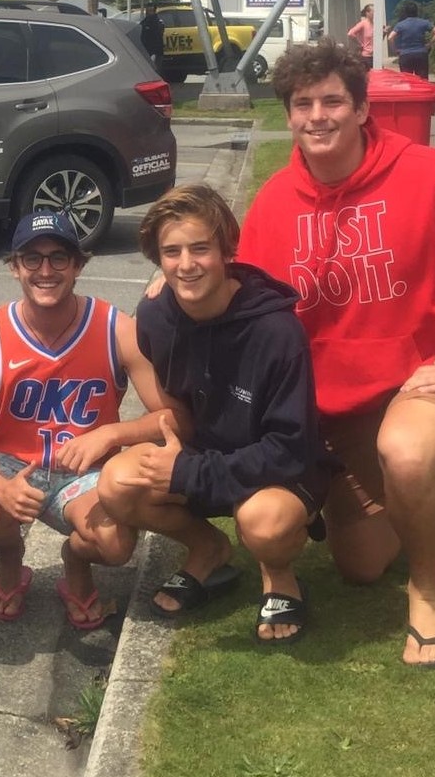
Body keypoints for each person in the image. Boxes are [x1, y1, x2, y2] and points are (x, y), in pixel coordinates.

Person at [238, 39, 435, 668]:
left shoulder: (429, 175)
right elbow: (245, 305)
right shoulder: (274, 205)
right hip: (334, 415)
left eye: (333, 101)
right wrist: (179, 286)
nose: (318, 115)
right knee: (363, 567)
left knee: (409, 451)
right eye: (302, 103)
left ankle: (427, 596)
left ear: (363, 108)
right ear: (287, 114)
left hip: (422, 386)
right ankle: (382, 497)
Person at [97, 185, 330, 642]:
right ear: (157, 259)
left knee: (264, 524)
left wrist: (189, 473)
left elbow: (291, 448)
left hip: (277, 471)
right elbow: (176, 404)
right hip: (203, 457)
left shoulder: (278, 331)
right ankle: (208, 550)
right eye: (172, 251)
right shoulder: (154, 317)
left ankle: (279, 574)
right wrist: (172, 459)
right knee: (117, 484)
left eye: (201, 248)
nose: (186, 265)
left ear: (227, 249)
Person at [0, 212, 173, 629]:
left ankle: (74, 562)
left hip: (84, 473)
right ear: (15, 266)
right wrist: (1, 488)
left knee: (114, 545)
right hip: (12, 462)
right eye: (32, 259)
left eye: (59, 257)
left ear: (78, 264)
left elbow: (169, 415)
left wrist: (113, 432)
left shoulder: (115, 328)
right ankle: (10, 557)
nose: (46, 270)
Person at [387, 1, 435, 79]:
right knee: (423, 80)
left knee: (408, 81)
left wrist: (395, 50)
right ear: (417, 11)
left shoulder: (400, 25)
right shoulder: (424, 22)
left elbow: (390, 37)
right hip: (421, 53)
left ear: (406, 12)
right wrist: (429, 44)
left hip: (405, 55)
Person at [139, 1, 166, 75]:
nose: (148, 12)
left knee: (154, 70)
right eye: (148, 10)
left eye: (150, 10)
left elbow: (157, 33)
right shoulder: (146, 21)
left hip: (153, 50)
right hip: (150, 49)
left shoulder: (156, 21)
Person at [347, 3, 376, 69]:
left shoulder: (375, 24)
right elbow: (350, 33)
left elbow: (377, 40)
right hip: (366, 56)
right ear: (367, 13)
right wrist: (360, 43)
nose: (375, 13)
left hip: (376, 55)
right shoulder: (363, 23)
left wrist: (384, 33)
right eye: (373, 11)